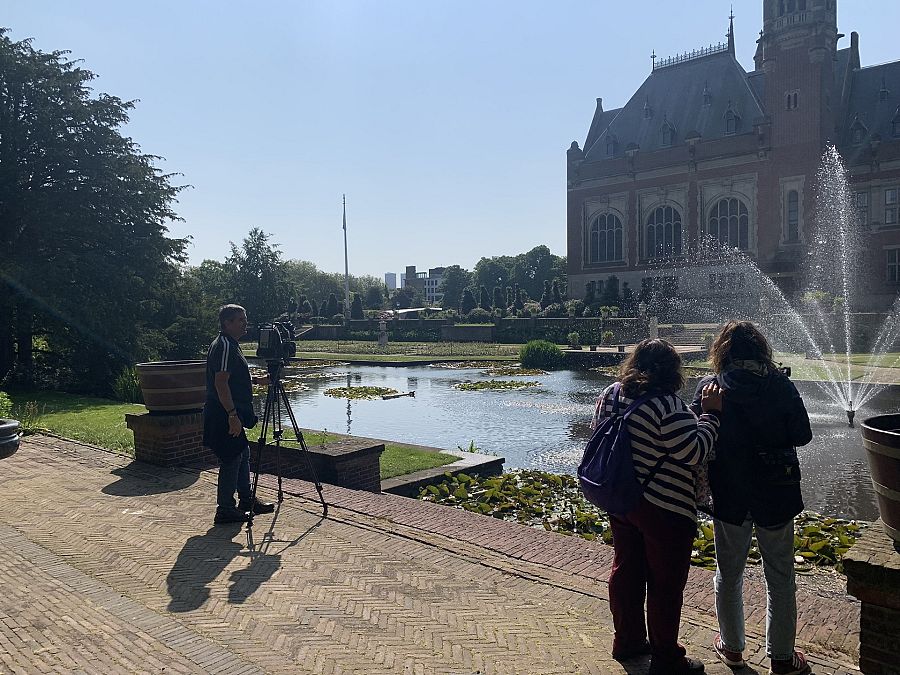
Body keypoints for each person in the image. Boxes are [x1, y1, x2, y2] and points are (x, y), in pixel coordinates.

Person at [592, 338, 723, 675]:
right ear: (672, 370)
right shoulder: (667, 404)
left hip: (621, 499)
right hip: (665, 507)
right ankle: (667, 657)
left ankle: (628, 641)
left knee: (626, 570)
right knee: (666, 583)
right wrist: (710, 416)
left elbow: (598, 432)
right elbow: (694, 452)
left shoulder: (612, 393)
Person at [690, 321, 812, 675]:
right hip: (776, 490)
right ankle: (782, 658)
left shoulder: (710, 387)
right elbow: (802, 435)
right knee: (780, 574)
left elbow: (699, 434)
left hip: (730, 492)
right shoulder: (779, 385)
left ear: (722, 352)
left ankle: (731, 648)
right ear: (761, 349)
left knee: (728, 574)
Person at [204, 304, 275, 525]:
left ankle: (247, 500)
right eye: (240, 321)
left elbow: (233, 379)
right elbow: (221, 382)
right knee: (232, 458)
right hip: (223, 414)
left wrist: (256, 381)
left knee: (242, 453)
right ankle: (225, 509)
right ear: (227, 323)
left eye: (245, 320)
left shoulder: (229, 344)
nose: (245, 325)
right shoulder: (225, 345)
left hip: (225, 411)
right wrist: (232, 415)